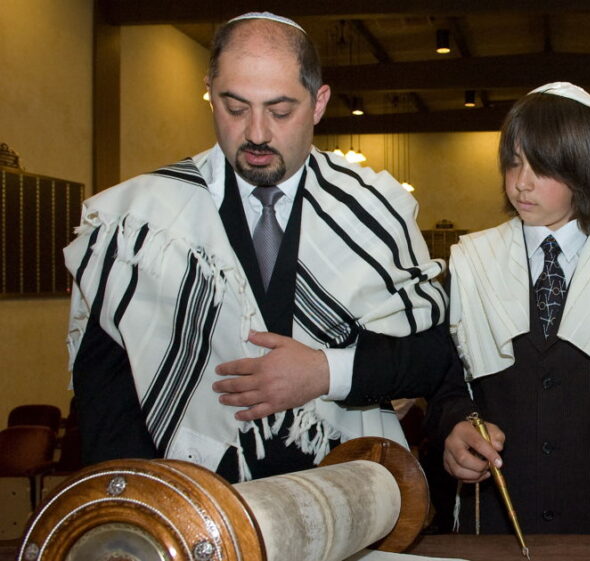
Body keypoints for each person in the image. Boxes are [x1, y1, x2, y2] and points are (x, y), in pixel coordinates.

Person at [64, 12, 457, 482]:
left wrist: (323, 372)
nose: (256, 133)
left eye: (280, 110)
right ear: (209, 89)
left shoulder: (374, 211)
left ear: (319, 103)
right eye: (234, 107)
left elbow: (432, 355)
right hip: (196, 494)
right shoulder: (139, 222)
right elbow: (105, 391)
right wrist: (138, 502)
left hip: (341, 486)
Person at [424, 82, 590, 534]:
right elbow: (446, 387)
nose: (521, 183)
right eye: (512, 163)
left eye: (541, 167)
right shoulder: (471, 263)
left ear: (584, 170)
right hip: (496, 516)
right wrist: (454, 427)